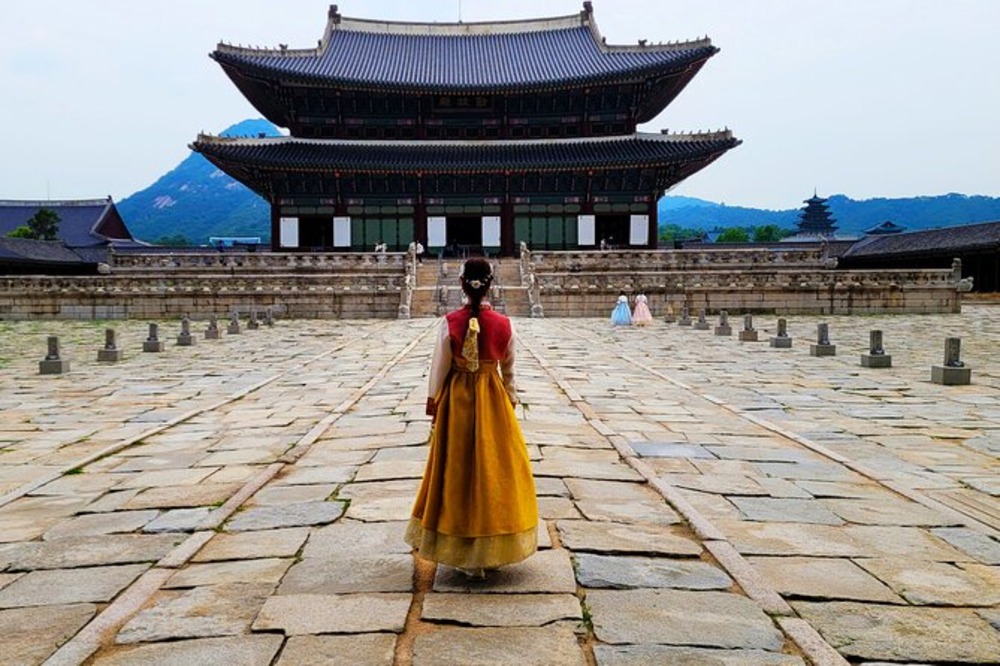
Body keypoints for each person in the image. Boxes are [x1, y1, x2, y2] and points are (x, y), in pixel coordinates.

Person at [406, 257, 538, 578]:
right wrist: (511, 401)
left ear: (461, 284)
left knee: (457, 470)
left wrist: (433, 404)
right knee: (493, 469)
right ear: (490, 283)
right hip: (492, 401)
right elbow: (509, 372)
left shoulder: (450, 322)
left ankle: (461, 549)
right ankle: (491, 545)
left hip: (458, 403)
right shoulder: (505, 325)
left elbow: (439, 369)